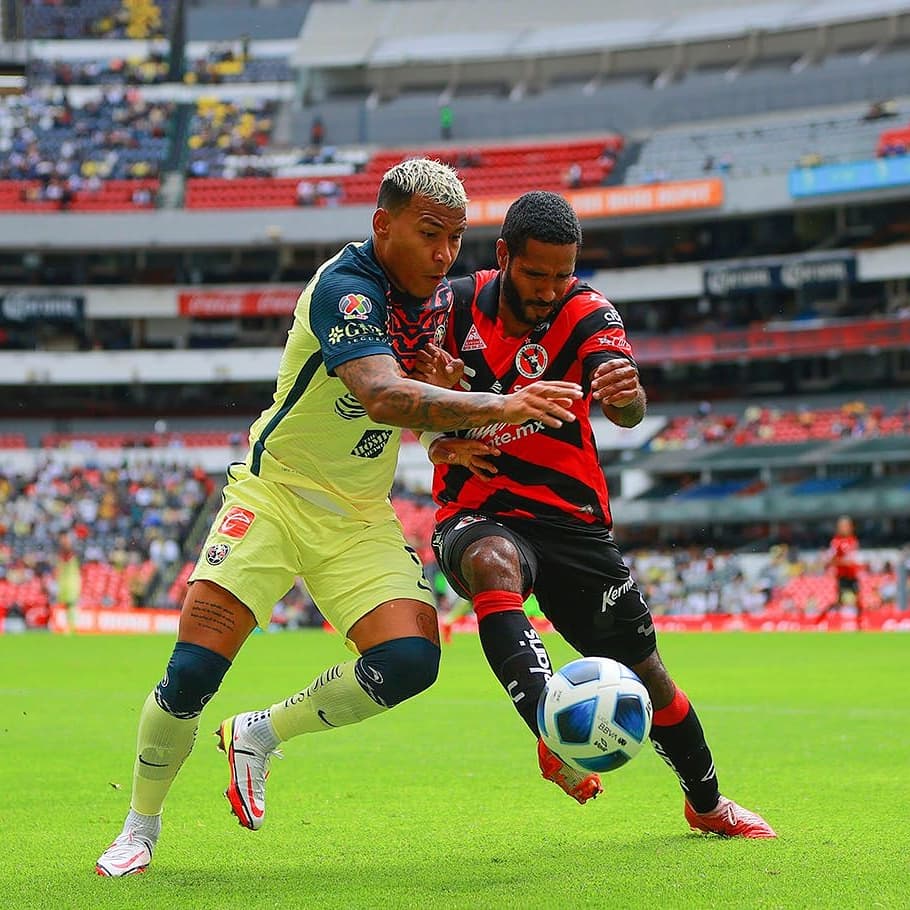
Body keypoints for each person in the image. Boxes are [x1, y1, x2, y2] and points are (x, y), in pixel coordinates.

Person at [95, 159, 583, 877]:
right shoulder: (345, 289)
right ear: (383, 225)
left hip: (357, 513)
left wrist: (436, 435)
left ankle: (262, 733)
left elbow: (410, 397)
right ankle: (139, 827)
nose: (444, 254)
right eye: (429, 234)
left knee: (410, 660)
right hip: (276, 495)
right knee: (193, 669)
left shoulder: (434, 302)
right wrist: (500, 405)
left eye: (455, 239)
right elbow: (380, 394)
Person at [415, 191, 776, 838]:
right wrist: (433, 426)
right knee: (492, 563)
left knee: (649, 675)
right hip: (477, 507)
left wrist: (626, 395)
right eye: (536, 274)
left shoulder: (586, 310)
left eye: (563, 274)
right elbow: (392, 394)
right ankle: (551, 732)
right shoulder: (450, 307)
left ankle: (706, 803)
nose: (550, 289)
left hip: (570, 521)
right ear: (504, 256)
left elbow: (624, 402)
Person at [814, 515, 863, 628]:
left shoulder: (853, 540)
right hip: (841, 577)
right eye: (843, 526)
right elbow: (830, 559)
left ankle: (857, 624)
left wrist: (845, 562)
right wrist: (842, 562)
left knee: (855, 600)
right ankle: (827, 621)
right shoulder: (836, 542)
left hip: (852, 576)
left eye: (847, 526)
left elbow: (851, 559)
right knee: (843, 599)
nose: (845, 528)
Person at [55, 532, 81, 634]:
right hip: (64, 584)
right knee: (67, 606)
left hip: (72, 584)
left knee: (71, 605)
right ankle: (70, 626)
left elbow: (68, 552)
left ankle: (72, 626)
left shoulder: (71, 553)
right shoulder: (62, 554)